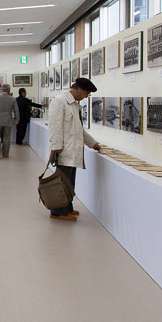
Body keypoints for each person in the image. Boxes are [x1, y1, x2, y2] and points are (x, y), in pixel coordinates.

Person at [48, 78, 102, 222]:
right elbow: (54, 126)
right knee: (62, 181)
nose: (86, 96)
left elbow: (79, 130)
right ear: (78, 90)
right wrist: (56, 147)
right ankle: (58, 211)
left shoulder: (75, 105)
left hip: (73, 150)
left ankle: (67, 207)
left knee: (70, 181)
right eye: (86, 93)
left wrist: (92, 143)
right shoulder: (60, 101)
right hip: (64, 150)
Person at [0, 84, 20, 159]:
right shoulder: (12, 99)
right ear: (9, 90)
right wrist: (16, 120)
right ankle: (5, 154)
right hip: (8, 121)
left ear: (2, 89)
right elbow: (16, 110)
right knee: (6, 138)